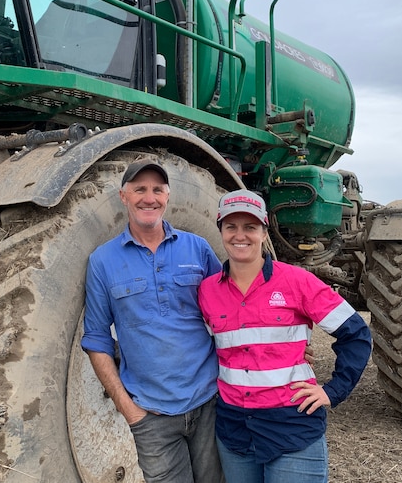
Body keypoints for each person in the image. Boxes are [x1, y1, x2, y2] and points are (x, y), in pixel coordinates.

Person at [198, 189, 372, 483]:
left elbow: (355, 333)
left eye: (250, 227)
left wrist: (332, 391)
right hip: (235, 433)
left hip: (291, 428)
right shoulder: (207, 291)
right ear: (221, 230)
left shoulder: (297, 281)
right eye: (232, 226)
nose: (240, 235)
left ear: (264, 231)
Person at [81, 158, 225, 483]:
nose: (150, 198)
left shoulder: (198, 249)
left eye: (157, 189)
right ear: (124, 196)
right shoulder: (102, 262)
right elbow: (97, 340)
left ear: (168, 196)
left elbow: (233, 310)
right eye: (140, 189)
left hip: (208, 406)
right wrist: (129, 410)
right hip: (152, 417)